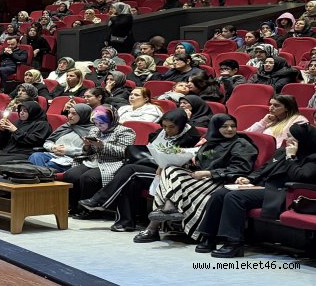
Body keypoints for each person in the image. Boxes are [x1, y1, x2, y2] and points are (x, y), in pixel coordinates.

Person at [197, 124, 316, 258]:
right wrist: (249, 179)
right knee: (220, 193)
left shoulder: (312, 157)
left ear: (301, 140)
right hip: (264, 186)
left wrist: (291, 157)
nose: (286, 139)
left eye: (290, 137)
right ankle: (209, 237)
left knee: (234, 197)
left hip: (282, 192)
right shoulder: (282, 151)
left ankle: (234, 243)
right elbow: (264, 168)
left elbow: (301, 176)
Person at [133, 115, 257, 244]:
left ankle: (153, 227)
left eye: (233, 126)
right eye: (224, 126)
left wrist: (209, 173)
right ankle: (168, 208)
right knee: (169, 169)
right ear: (215, 128)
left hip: (222, 181)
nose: (230, 129)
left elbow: (241, 169)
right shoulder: (210, 142)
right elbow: (200, 161)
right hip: (201, 177)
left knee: (175, 187)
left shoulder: (241, 144)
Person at [78, 109, 201, 231]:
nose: (167, 130)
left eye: (171, 127)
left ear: (181, 125)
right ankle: (125, 223)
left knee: (131, 171)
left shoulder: (191, 137)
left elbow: (191, 160)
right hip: (154, 168)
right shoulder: (160, 133)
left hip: (173, 176)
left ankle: (100, 201)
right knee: (130, 180)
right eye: (164, 126)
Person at [63, 105, 136, 215]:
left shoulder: (125, 131)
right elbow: (89, 152)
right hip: (94, 160)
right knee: (70, 175)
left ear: (112, 120)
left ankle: (88, 210)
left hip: (113, 163)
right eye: (96, 123)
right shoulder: (95, 130)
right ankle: (73, 206)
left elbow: (124, 152)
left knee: (88, 178)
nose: (98, 126)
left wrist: (102, 146)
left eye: (101, 123)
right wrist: (87, 146)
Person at [0, 102, 52, 170]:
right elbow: (2, 142)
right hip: (8, 151)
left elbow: (34, 140)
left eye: (25, 111)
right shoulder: (17, 122)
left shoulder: (43, 125)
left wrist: (15, 131)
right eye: (20, 110)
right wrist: (2, 130)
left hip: (24, 153)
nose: (21, 113)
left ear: (33, 112)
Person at [28, 104, 93, 172]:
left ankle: (40, 175)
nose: (69, 116)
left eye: (74, 114)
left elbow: (91, 151)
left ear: (83, 115)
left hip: (73, 159)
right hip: (54, 154)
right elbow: (48, 141)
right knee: (35, 156)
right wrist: (53, 147)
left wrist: (66, 150)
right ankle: (42, 175)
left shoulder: (91, 130)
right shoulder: (66, 126)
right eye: (69, 113)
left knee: (49, 165)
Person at [244, 94, 308, 148]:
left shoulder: (297, 121)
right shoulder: (271, 120)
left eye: (276, 105)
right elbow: (246, 135)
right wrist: (263, 122)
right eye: (270, 104)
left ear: (287, 108)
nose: (271, 107)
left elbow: (282, 145)